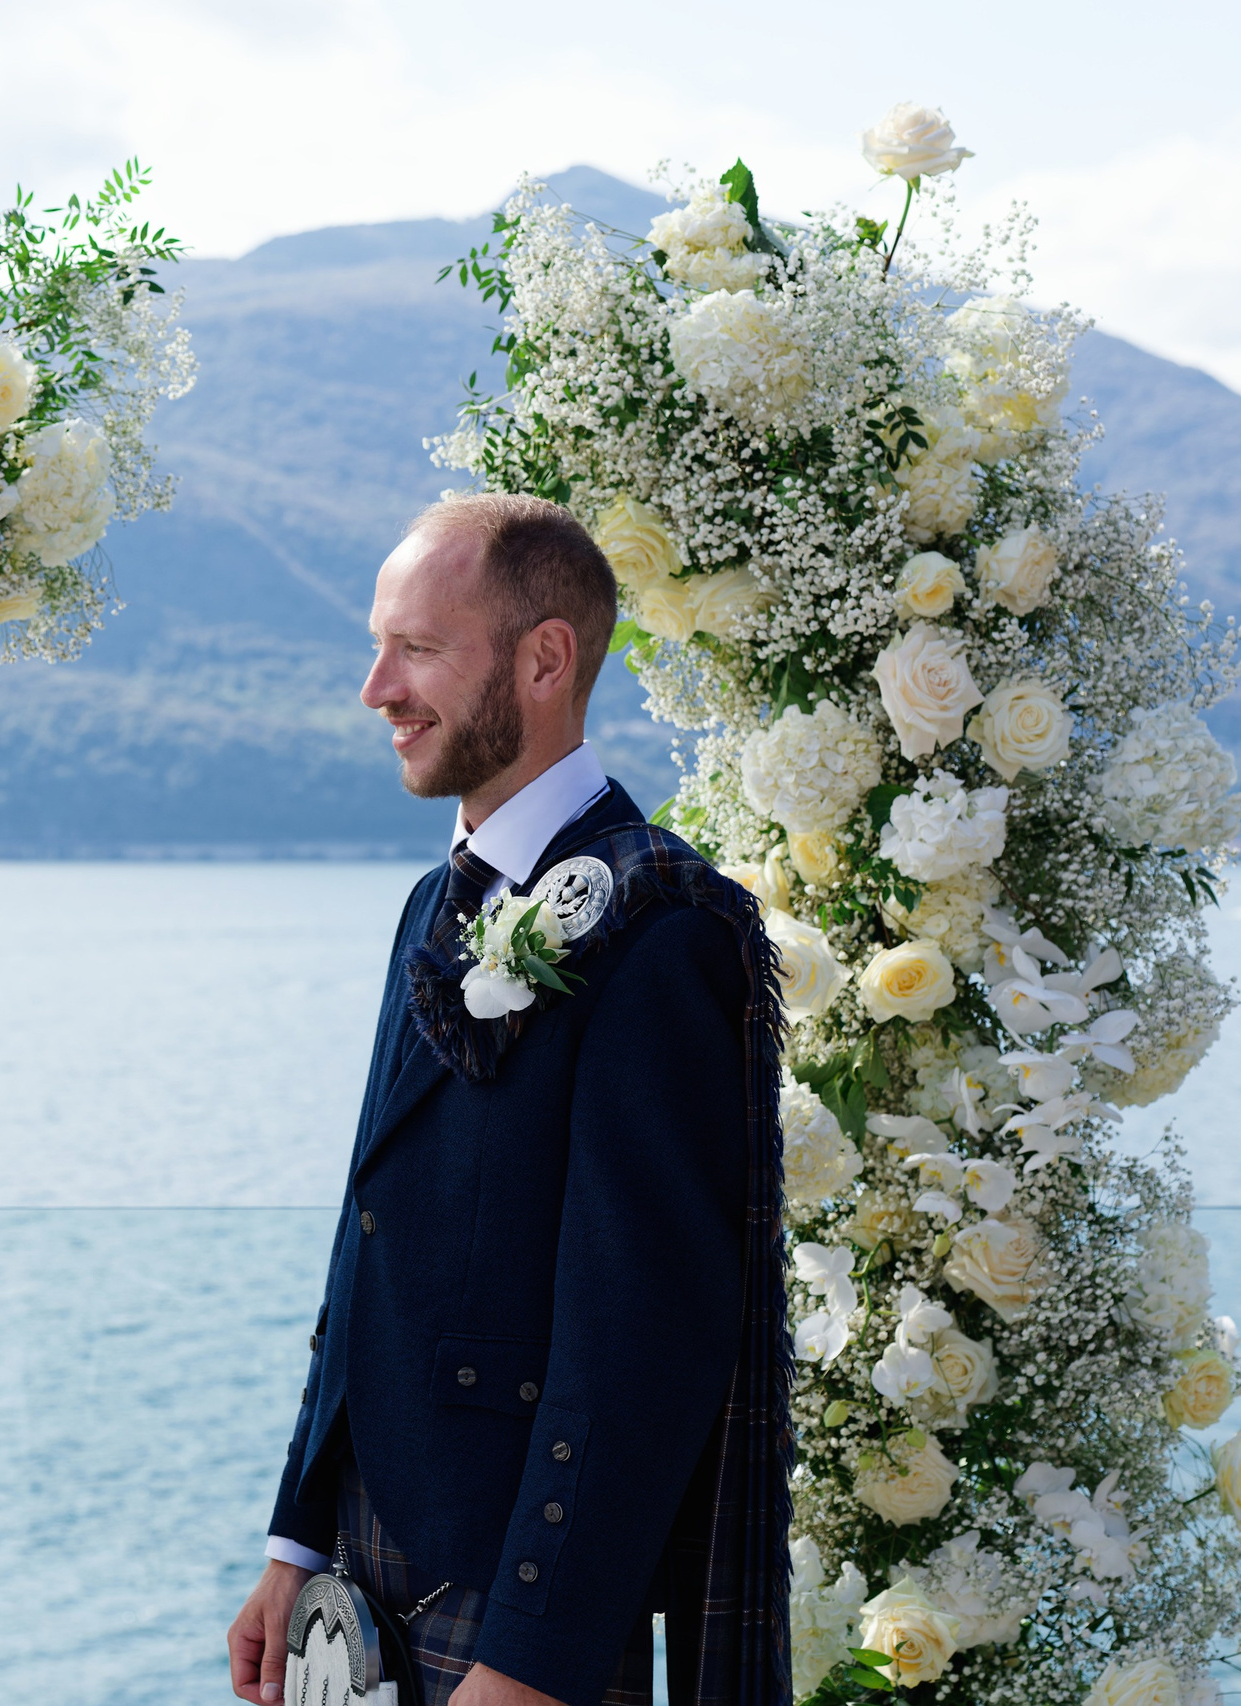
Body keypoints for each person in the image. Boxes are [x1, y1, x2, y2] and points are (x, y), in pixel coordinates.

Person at [225, 496, 791, 1706]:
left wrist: (534, 1656)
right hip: (364, 1582)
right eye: (380, 645)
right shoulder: (429, 909)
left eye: (419, 649)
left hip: (518, 1605)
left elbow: (642, 1337)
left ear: (545, 659)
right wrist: (297, 1539)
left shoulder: (661, 928)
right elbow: (365, 1236)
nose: (377, 686)